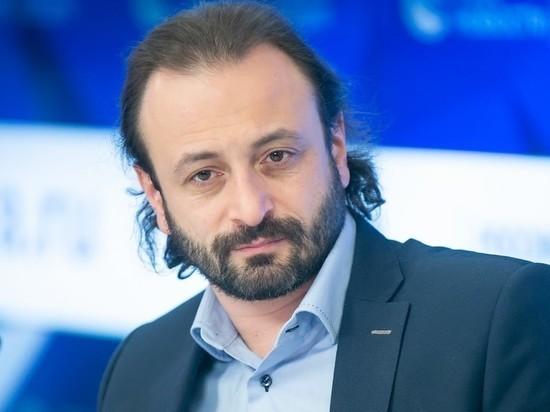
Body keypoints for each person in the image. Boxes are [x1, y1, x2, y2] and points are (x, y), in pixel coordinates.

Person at [98, 2, 550, 411]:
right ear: (155, 195)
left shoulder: (496, 319)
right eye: (204, 175)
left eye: (277, 156)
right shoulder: (136, 369)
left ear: (336, 147)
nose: (251, 210)